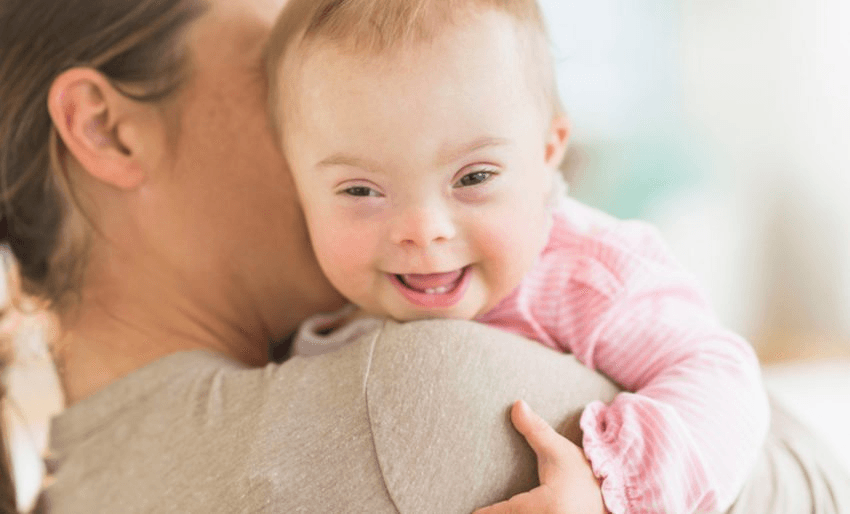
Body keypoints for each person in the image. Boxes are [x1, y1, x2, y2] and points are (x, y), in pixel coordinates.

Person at [2, 0, 850, 513]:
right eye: (277, 73)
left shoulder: (73, 480)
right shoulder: (401, 400)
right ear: (109, 129)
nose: (371, 117)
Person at [265, 1, 772, 512]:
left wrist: (610, 491)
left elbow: (718, 374)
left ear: (547, 153)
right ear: (294, 181)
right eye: (360, 191)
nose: (424, 231)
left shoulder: (586, 277)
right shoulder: (308, 295)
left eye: (474, 177)